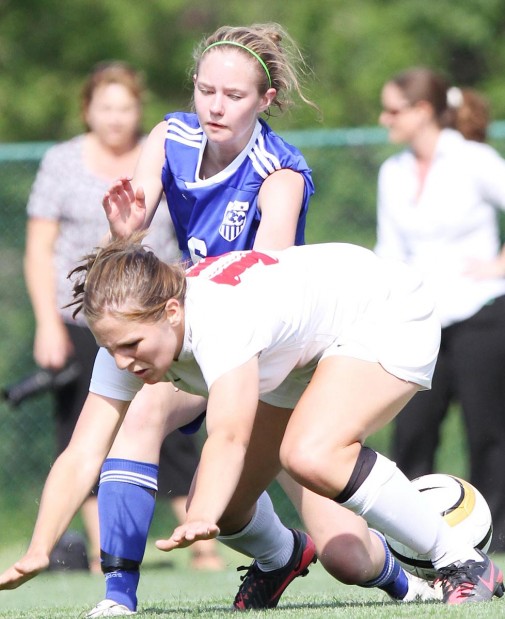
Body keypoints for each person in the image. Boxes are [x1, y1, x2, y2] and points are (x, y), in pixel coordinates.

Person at [20, 24, 436, 617]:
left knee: (346, 554)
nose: (215, 105)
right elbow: (135, 225)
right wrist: (126, 232)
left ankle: (408, 581)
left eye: (233, 96)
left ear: (265, 101)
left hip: (274, 353)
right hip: (200, 330)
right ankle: (119, 598)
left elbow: (264, 274)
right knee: (138, 416)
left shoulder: (280, 172)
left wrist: (209, 303)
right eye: (205, 89)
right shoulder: (169, 137)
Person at [2, 237, 502, 608]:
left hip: (384, 311)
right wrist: (39, 548)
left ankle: (461, 561)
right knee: (235, 512)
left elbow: (230, 434)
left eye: (131, 346)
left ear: (172, 311)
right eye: (111, 347)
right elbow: (82, 453)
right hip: (299, 355)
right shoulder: (129, 342)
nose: (121, 360)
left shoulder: (219, 318)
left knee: (311, 454)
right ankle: (281, 556)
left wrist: (201, 519)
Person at [23, 60, 213, 574]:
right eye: (104, 107)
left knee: (170, 424)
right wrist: (47, 321)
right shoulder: (62, 162)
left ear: (138, 110)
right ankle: (102, 551)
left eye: (125, 106)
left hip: (157, 313)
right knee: (84, 433)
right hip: (83, 318)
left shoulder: (160, 160)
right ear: (88, 110)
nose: (114, 117)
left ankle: (203, 543)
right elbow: (40, 250)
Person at [375, 66, 505, 552]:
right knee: (412, 430)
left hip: (482, 315)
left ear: (422, 111)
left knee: (488, 433)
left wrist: (497, 264)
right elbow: (390, 250)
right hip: (421, 321)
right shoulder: (392, 172)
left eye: (393, 109)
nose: (384, 118)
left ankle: (492, 544)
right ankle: (409, 540)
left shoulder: (474, 159)